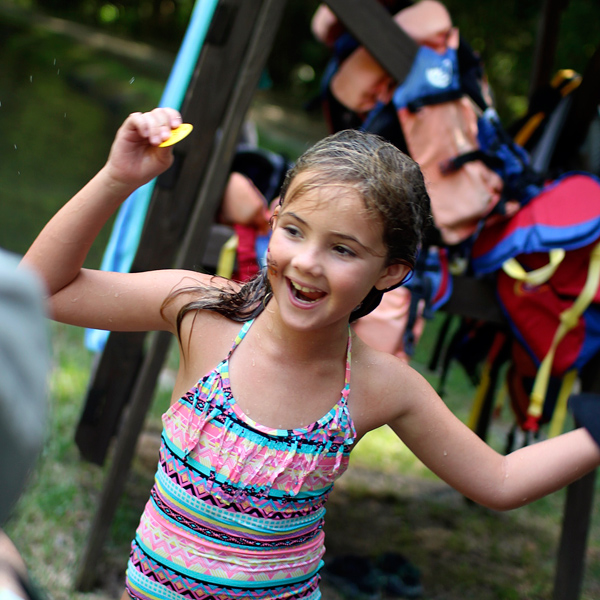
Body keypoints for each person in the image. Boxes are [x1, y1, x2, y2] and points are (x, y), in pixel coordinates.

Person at [21, 108, 600, 600]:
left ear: (392, 271)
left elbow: (498, 480)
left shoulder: (379, 386)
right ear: (273, 219)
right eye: (294, 231)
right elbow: (41, 288)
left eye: (343, 249)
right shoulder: (204, 311)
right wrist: (118, 177)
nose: (306, 262)